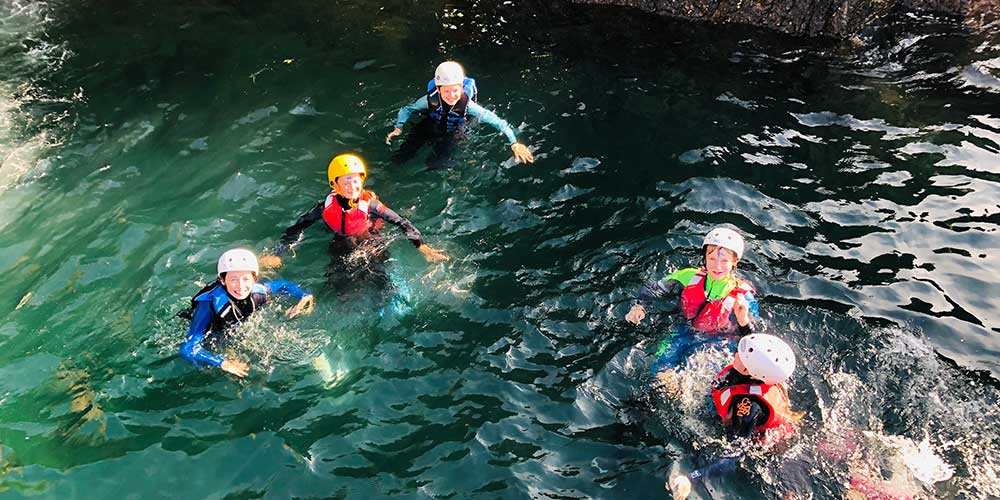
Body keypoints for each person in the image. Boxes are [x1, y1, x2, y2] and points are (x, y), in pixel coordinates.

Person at [262, 153, 448, 271]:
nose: (352, 186)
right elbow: (299, 226)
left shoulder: (371, 206)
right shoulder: (325, 207)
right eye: (346, 182)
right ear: (335, 185)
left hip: (370, 240)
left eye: (356, 181)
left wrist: (422, 247)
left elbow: (401, 222)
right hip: (342, 241)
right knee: (337, 279)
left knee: (380, 273)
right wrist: (278, 253)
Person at [668, 334, 798, 500]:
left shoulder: (747, 407)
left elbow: (732, 457)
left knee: (697, 452)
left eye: (743, 357)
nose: (736, 354)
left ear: (751, 373)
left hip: (767, 444)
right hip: (744, 417)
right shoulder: (755, 374)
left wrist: (691, 478)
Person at [179, 248, 315, 378]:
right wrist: (223, 363)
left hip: (234, 323)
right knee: (238, 370)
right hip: (214, 331)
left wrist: (304, 295)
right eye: (233, 279)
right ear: (222, 281)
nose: (240, 286)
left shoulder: (257, 290)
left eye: (245, 279)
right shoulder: (208, 306)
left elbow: (282, 285)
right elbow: (187, 348)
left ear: (254, 279)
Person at [385, 61, 534, 167]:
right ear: (438, 89)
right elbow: (407, 109)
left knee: (437, 163)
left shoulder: (469, 106)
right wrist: (399, 127)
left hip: (455, 129)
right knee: (401, 156)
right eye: (446, 91)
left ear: (461, 87)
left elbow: (498, 122)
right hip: (430, 124)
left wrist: (514, 142)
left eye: (455, 90)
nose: (451, 95)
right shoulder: (428, 100)